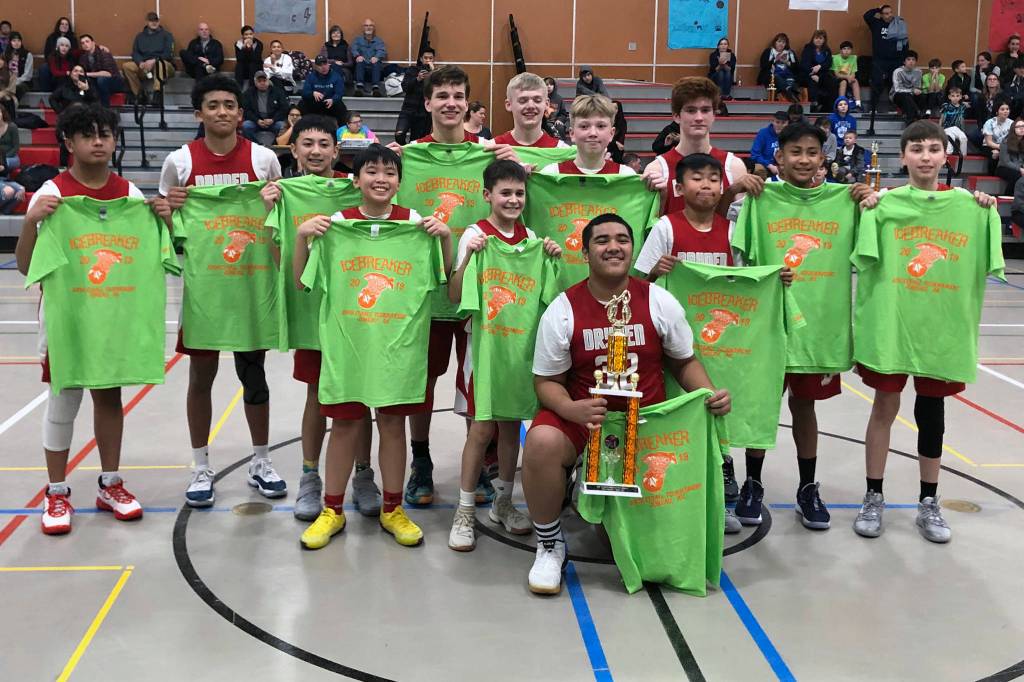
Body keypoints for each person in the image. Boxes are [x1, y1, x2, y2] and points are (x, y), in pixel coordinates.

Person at [521, 213, 730, 594]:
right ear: (585, 253)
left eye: (622, 239)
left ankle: (591, 495)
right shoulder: (563, 308)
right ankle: (550, 544)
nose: (613, 247)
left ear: (633, 250)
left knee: (617, 545)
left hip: (645, 424)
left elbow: (684, 361)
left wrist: (709, 393)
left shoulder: (659, 301)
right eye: (602, 240)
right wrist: (570, 409)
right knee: (541, 442)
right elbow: (545, 382)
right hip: (587, 421)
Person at [292, 143, 453, 549]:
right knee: (345, 426)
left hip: (399, 349)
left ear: (400, 182)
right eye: (372, 172)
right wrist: (301, 237)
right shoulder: (335, 227)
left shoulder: (417, 226)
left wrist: (447, 239)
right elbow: (301, 282)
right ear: (356, 179)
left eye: (390, 173)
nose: (381, 179)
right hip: (348, 348)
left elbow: (446, 281)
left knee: (393, 426)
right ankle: (332, 510)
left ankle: (393, 509)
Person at [851, 120, 999, 544]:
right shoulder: (883, 205)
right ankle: (873, 496)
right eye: (916, 149)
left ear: (945, 156)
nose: (926, 156)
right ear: (903, 157)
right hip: (892, 326)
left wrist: (985, 207)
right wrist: (868, 205)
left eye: (933, 149)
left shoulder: (972, 207)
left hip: (940, 330)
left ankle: (928, 502)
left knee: (932, 414)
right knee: (884, 406)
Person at [14, 105, 153, 534]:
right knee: (64, 399)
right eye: (88, 135)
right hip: (67, 319)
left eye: (105, 134)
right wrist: (31, 222)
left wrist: (162, 219)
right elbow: (25, 266)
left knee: (109, 397)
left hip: (112, 317)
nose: (98, 142)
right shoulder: (51, 193)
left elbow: (146, 258)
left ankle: (110, 483)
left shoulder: (130, 194)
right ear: (69, 143)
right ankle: (56, 491)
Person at [732, 122, 875, 532]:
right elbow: (742, 258)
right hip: (769, 326)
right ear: (779, 157)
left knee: (804, 408)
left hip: (817, 329)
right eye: (795, 151)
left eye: (812, 152)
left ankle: (807, 487)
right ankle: (752, 483)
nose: (804, 159)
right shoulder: (761, 199)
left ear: (823, 158)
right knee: (762, 406)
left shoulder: (844, 200)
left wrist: (870, 199)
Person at [157, 75, 284, 508]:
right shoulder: (179, 162)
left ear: (241, 113)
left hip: (251, 289)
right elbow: (166, 226)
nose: (222, 112)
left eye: (229, 105)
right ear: (199, 113)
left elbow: (278, 217)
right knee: (201, 378)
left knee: (254, 376)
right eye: (213, 105)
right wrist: (168, 211)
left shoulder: (264, 159)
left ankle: (261, 461)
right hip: (205, 291)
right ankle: (200, 466)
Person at [261, 115, 381, 521]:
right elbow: (279, 258)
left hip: (355, 312)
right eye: (307, 143)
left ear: (336, 150)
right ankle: (310, 476)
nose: (315, 151)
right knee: (316, 394)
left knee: (360, 395)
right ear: (293, 149)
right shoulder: (284, 195)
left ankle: (363, 474)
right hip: (312, 312)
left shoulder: (355, 187)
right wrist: (274, 211)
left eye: (324, 144)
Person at [445, 160, 562, 551]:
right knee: (481, 430)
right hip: (483, 349)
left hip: (520, 350)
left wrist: (551, 256)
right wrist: (467, 257)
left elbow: (550, 298)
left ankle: (502, 501)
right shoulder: (476, 235)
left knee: (512, 427)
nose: (513, 199)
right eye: (505, 193)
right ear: (487, 195)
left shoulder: (533, 239)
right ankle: (464, 511)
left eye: (519, 193)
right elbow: (455, 294)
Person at [641, 77, 749, 217]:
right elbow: (648, 226)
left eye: (705, 110)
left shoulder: (734, 167)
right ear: (676, 116)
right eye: (691, 110)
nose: (699, 117)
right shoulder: (657, 170)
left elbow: (741, 224)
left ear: (714, 115)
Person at [538, 95, 634, 175]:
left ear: (611, 133)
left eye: (600, 126)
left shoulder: (626, 176)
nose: (593, 133)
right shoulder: (551, 173)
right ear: (572, 133)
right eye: (584, 126)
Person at [494, 72, 569, 148]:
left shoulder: (562, 150)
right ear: (509, 105)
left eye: (537, 100)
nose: (531, 106)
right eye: (523, 100)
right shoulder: (492, 148)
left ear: (546, 104)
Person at [864, 4, 910, 114]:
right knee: (877, 83)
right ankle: (873, 108)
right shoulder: (876, 24)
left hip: (896, 60)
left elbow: (905, 41)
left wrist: (903, 59)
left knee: (894, 84)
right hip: (879, 60)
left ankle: (893, 107)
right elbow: (867, 16)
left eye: (890, 12)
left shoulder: (899, 24)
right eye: (886, 13)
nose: (889, 15)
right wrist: (877, 8)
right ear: (881, 15)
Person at [121, 12, 174, 101]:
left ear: (159, 21)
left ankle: (157, 94)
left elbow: (168, 54)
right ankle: (139, 94)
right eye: (151, 20)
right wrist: (140, 62)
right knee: (126, 66)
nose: (154, 23)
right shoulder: (139, 36)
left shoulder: (167, 35)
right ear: (147, 22)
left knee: (160, 64)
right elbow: (135, 52)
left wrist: (154, 60)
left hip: (164, 66)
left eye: (156, 20)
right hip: (145, 66)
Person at [395, 48, 434, 145]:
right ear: (421, 59)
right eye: (426, 58)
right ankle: (404, 149)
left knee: (416, 142)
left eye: (430, 58)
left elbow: (439, 89)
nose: (428, 60)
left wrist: (432, 74)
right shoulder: (412, 70)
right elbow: (405, 87)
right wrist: (417, 79)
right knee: (399, 135)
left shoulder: (435, 74)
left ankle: (409, 152)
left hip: (424, 114)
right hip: (408, 110)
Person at [241, 71, 289, 143]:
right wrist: (257, 120)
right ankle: (256, 145)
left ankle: (275, 145)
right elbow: (246, 110)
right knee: (246, 126)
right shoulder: (249, 93)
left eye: (264, 80)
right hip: (256, 122)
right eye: (259, 81)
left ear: (268, 81)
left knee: (281, 126)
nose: (262, 83)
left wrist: (273, 119)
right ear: (255, 82)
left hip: (273, 121)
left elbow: (284, 108)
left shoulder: (277, 91)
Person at [301, 55, 347, 125]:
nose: (323, 67)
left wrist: (333, 99)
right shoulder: (311, 77)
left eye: (325, 64)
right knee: (302, 104)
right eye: (320, 65)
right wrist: (313, 93)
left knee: (341, 106)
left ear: (328, 64)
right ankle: (303, 128)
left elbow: (339, 93)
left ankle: (342, 129)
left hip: (330, 103)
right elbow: (304, 92)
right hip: (316, 103)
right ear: (316, 67)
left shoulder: (336, 76)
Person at [78, 35, 122, 108]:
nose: (85, 44)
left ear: (93, 43)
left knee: (101, 80)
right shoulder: (83, 57)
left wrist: (87, 74)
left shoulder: (103, 53)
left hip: (114, 81)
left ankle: (105, 108)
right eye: (82, 43)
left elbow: (108, 74)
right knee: (84, 80)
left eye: (87, 41)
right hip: (96, 81)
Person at [800, 30, 835, 112]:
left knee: (831, 81)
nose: (818, 40)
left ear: (824, 40)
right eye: (816, 38)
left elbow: (828, 63)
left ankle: (829, 106)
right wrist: (812, 74)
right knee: (813, 82)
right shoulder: (808, 49)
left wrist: (820, 66)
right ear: (813, 39)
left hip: (822, 73)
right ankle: (814, 104)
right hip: (808, 74)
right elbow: (804, 65)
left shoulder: (827, 50)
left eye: (820, 38)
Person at [350, 18, 387, 97]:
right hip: (361, 70)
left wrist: (376, 57)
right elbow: (353, 49)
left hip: (374, 71)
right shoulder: (357, 40)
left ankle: (375, 89)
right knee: (360, 61)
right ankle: (359, 88)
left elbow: (382, 51)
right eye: (366, 25)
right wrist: (357, 56)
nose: (368, 27)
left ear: (373, 28)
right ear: (363, 28)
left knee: (376, 62)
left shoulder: (379, 41)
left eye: (370, 25)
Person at [758, 33, 799, 102]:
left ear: (786, 44)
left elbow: (797, 68)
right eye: (779, 41)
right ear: (775, 42)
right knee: (777, 78)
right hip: (772, 76)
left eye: (783, 42)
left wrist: (787, 62)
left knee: (792, 80)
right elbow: (763, 66)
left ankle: (791, 95)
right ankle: (790, 93)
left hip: (787, 76)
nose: (781, 44)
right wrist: (775, 59)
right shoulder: (768, 51)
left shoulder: (790, 53)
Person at [750, 111, 787, 179]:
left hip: (783, 166)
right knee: (758, 169)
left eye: (783, 123)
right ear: (773, 121)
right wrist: (769, 165)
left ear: (788, 123)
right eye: (777, 122)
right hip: (766, 165)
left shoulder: (790, 135)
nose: (780, 125)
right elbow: (755, 155)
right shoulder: (763, 133)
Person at [891, 50, 924, 124]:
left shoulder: (918, 72)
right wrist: (912, 90)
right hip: (898, 95)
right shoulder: (898, 71)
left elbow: (918, 87)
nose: (911, 62)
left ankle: (918, 115)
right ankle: (915, 115)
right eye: (908, 59)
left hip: (912, 95)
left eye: (913, 60)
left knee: (922, 96)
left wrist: (917, 91)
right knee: (906, 96)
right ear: (904, 61)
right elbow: (897, 89)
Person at [982, 100, 1013, 171]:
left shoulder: (1012, 123)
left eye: (1007, 109)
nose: (1005, 111)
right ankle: (991, 175)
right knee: (995, 154)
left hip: (1005, 147)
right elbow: (989, 142)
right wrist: (1001, 148)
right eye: (1002, 109)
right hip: (989, 146)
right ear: (997, 112)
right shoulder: (990, 123)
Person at [996, 118, 1024, 195]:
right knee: (1017, 175)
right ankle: (1008, 196)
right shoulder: (1006, 142)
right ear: (1013, 129)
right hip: (1003, 168)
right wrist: (1020, 169)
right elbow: (1006, 162)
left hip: (1019, 168)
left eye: (1023, 126)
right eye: (1018, 127)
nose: (1022, 128)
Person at [939, 86, 969, 155]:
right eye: (953, 96)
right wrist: (940, 129)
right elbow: (942, 118)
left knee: (964, 138)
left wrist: (965, 100)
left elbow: (963, 118)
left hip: (958, 128)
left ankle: (963, 156)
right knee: (950, 138)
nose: (955, 98)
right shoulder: (946, 106)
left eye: (957, 96)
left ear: (960, 97)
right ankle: (948, 156)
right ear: (949, 97)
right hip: (947, 128)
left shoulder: (962, 106)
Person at [832, 41, 862, 110]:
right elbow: (836, 74)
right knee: (844, 82)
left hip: (849, 78)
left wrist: (851, 78)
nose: (846, 51)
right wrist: (847, 77)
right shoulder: (835, 58)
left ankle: (858, 104)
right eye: (844, 49)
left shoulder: (853, 58)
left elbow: (853, 73)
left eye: (848, 49)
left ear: (851, 50)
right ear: (840, 50)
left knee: (855, 81)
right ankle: (840, 103)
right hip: (839, 78)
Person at [3, 32, 33, 100]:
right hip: (8, 81)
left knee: (18, 88)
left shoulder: (27, 54)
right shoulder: (5, 54)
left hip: (23, 82)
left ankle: (9, 100)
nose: (16, 43)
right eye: (14, 41)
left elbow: (28, 75)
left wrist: (15, 82)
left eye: (18, 41)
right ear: (10, 42)